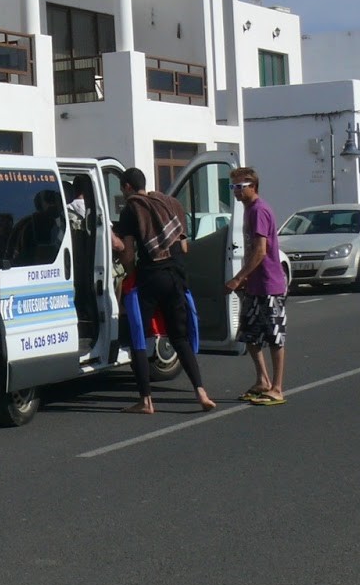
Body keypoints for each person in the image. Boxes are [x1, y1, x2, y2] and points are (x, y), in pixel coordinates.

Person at [110, 167, 215, 413]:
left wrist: (124, 263)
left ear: (126, 187)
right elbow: (185, 248)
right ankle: (201, 393)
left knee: (139, 336)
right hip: (176, 277)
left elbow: (127, 254)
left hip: (151, 278)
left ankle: (146, 401)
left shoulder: (131, 209)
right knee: (179, 338)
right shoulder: (170, 204)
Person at [227, 167, 289, 405]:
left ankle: (277, 387)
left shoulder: (259, 210)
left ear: (253, 186)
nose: (236, 191)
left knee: (274, 337)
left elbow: (260, 251)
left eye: (240, 187)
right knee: (250, 335)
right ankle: (262, 380)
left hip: (269, 283)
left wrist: (238, 278)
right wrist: (245, 280)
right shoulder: (248, 210)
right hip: (254, 284)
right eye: (232, 187)